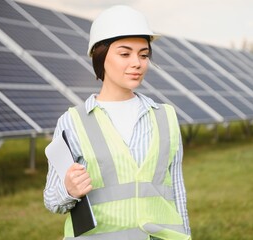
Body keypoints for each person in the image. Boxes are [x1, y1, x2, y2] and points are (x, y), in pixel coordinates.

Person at [44, 5, 191, 240]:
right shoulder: (73, 121)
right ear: (101, 56)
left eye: (143, 55)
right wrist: (68, 190)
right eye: (125, 54)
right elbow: (52, 199)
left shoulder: (166, 116)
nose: (137, 63)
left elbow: (177, 192)